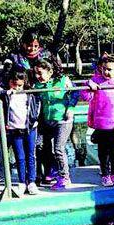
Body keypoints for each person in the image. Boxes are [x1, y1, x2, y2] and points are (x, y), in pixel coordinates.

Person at [0, 68, 41, 195]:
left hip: (30, 128)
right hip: (14, 129)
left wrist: (33, 121)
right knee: (19, 157)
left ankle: (31, 181)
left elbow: (36, 108)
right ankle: (21, 182)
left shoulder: (30, 93)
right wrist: (4, 90)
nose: (17, 88)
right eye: (14, 84)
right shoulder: (6, 94)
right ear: (9, 82)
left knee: (30, 155)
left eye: (20, 85)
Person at [82, 54, 114, 187]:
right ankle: (105, 175)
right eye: (104, 69)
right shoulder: (96, 80)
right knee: (103, 151)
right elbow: (85, 96)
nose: (106, 72)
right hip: (101, 122)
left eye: (110, 69)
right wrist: (89, 85)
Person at [33, 58, 78, 190]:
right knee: (40, 145)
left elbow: (75, 92)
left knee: (58, 148)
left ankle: (65, 177)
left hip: (63, 120)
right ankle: (51, 172)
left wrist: (71, 108)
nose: (38, 76)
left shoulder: (63, 80)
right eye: (36, 73)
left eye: (40, 73)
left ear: (50, 71)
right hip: (47, 121)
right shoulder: (38, 86)